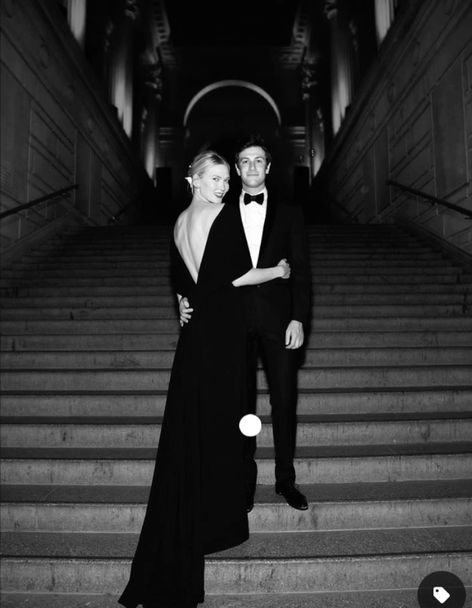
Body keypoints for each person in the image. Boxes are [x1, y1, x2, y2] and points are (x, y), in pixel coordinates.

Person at [118, 150, 291, 608]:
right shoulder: (222, 215)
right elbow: (236, 277)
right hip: (224, 336)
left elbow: (189, 278)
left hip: (196, 337)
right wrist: (277, 270)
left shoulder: (178, 223)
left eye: (223, 179)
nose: (222, 186)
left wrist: (182, 300)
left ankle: (197, 517)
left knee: (196, 427)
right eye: (213, 178)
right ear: (193, 180)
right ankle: (218, 523)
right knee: (223, 425)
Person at [180, 137, 311, 513]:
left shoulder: (290, 213)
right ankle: (242, 483)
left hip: (278, 321)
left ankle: (285, 480)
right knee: (239, 404)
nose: (252, 167)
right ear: (236, 170)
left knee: (284, 401)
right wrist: (183, 296)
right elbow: (201, 266)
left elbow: (301, 271)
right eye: (245, 162)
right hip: (230, 322)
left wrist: (299, 318)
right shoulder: (217, 213)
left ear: (268, 168)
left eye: (258, 161)